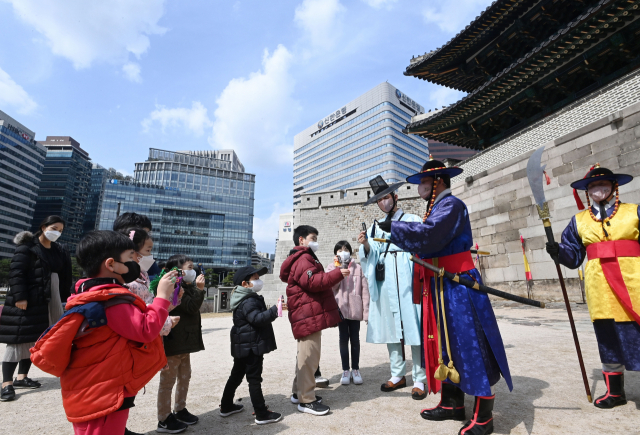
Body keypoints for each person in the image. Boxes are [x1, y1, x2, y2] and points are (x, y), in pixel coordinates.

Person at [376, 159, 512, 435]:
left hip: (460, 285)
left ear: (438, 181)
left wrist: (396, 229)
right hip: (442, 284)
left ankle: (484, 415)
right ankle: (452, 403)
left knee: (469, 342)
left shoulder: (451, 206)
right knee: (445, 345)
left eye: (424, 182)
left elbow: (432, 236)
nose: (420, 187)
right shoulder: (436, 207)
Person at [30, 230, 174, 434]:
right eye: (129, 259)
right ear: (111, 264)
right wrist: (162, 297)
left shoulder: (91, 293)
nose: (134, 264)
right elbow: (146, 330)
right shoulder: (111, 301)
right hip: (103, 395)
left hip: (96, 389)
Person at [546, 164, 640, 409]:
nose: (598, 189)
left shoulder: (634, 212)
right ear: (587, 191)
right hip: (599, 287)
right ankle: (615, 392)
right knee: (607, 336)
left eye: (603, 184)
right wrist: (558, 253)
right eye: (593, 186)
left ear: (613, 186)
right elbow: (573, 257)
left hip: (634, 283)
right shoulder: (579, 220)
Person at [357, 176, 427, 399]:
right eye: (379, 200)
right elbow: (370, 256)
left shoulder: (412, 218)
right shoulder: (375, 227)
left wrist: (399, 231)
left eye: (386, 197)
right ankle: (397, 374)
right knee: (392, 330)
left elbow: (421, 244)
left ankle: (419, 378)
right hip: (386, 281)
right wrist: (366, 244)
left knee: (413, 328)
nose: (383, 202)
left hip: (408, 279)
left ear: (395, 197)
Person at [0, 215, 72, 402]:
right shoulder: (27, 247)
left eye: (61, 230)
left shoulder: (59, 250)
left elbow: (64, 276)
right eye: (54, 228)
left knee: (36, 339)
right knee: (19, 338)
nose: (57, 233)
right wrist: (20, 296)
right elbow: (16, 273)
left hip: (52, 298)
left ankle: (22, 377)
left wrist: (65, 299)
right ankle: (6, 383)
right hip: (30, 298)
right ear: (43, 226)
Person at [279, 225, 348, 416]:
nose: (315, 241)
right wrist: (337, 273)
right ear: (301, 240)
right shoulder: (303, 258)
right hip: (306, 315)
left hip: (307, 314)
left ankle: (298, 392)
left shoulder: (303, 258)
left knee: (305, 356)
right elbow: (314, 282)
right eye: (313, 237)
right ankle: (306, 400)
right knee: (309, 357)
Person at [220, 265, 283, 424]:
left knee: (236, 376)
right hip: (251, 346)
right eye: (255, 278)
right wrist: (275, 310)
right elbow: (258, 319)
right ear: (244, 284)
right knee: (254, 379)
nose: (258, 281)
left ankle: (226, 406)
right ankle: (261, 413)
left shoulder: (244, 297)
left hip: (244, 345)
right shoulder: (248, 300)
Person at [156, 255, 205, 433]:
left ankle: (180, 409)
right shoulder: (174, 288)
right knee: (168, 381)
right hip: (173, 341)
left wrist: (196, 288)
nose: (193, 271)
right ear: (177, 270)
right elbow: (191, 307)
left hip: (185, 341)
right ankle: (163, 418)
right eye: (189, 267)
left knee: (185, 377)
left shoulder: (187, 286)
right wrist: (200, 289)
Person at [326, 241, 369, 385]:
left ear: (350, 252)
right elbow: (331, 288)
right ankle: (345, 369)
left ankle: (355, 369)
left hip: (355, 309)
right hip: (341, 309)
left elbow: (365, 291)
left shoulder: (358, 268)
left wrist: (366, 312)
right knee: (343, 340)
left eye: (345, 249)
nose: (342, 252)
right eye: (339, 250)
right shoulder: (331, 267)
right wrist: (338, 270)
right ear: (335, 253)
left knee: (355, 340)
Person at [113, 212, 161, 278]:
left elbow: (158, 276)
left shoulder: (146, 261)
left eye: (148, 234)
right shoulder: (111, 258)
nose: (147, 238)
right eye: (143, 234)